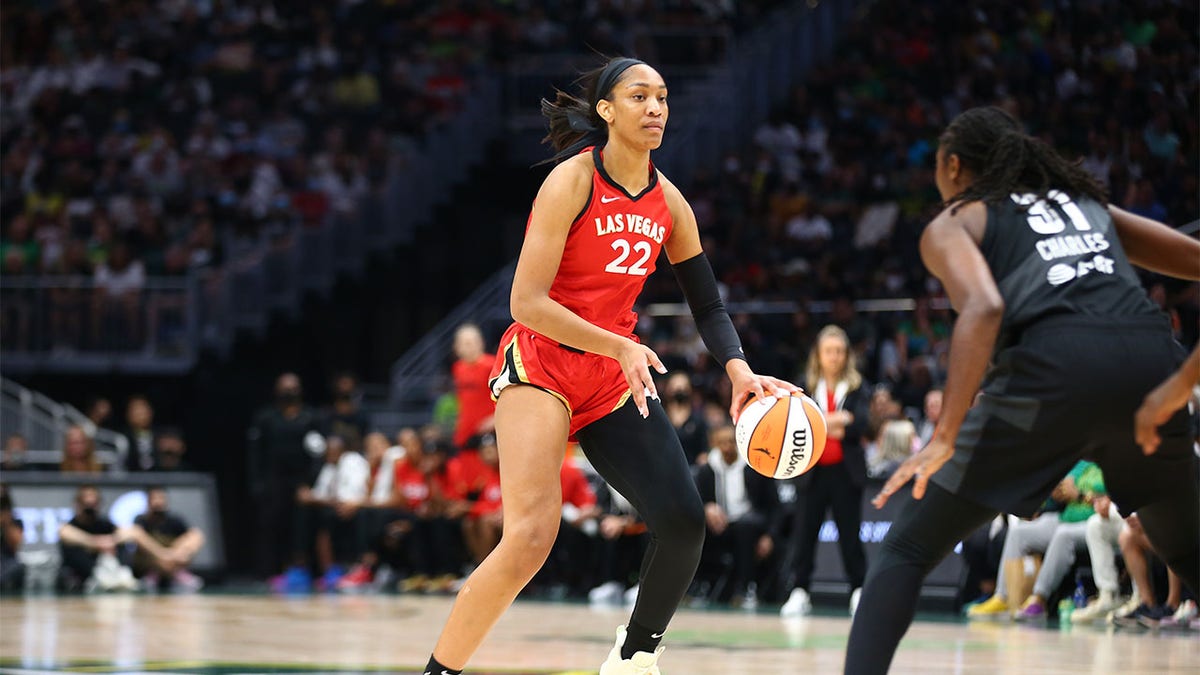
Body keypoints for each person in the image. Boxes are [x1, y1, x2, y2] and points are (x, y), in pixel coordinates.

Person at [421, 56, 795, 675]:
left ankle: (633, 656)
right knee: (530, 541)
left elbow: (707, 303)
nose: (656, 109)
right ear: (606, 110)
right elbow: (525, 302)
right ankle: (439, 672)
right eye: (640, 97)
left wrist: (737, 368)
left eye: (663, 97)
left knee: (682, 522)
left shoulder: (669, 201)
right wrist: (617, 343)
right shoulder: (571, 182)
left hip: (609, 379)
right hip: (541, 364)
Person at [844, 106, 1200, 675]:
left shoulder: (955, 220)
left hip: (1054, 371)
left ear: (954, 167)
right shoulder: (1085, 205)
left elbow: (984, 307)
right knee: (1186, 550)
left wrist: (945, 437)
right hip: (1153, 366)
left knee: (907, 550)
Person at [781, 325, 869, 618]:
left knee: (850, 535)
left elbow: (860, 425)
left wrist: (820, 421)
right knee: (804, 535)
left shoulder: (858, 387)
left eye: (839, 351)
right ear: (818, 355)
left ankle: (859, 589)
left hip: (846, 473)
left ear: (847, 356)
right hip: (812, 472)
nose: (834, 357)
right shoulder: (803, 385)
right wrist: (838, 420)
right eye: (829, 351)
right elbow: (799, 423)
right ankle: (800, 591)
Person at [127, 486, 206, 592]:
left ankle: (172, 572)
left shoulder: (175, 520)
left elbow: (193, 537)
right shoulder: (141, 520)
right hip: (150, 563)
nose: (159, 502)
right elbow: (135, 537)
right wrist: (162, 555)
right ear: (148, 501)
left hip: (174, 559)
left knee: (196, 534)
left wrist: (173, 555)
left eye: (161, 498)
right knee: (136, 533)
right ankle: (164, 572)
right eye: (155, 498)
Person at [450, 324, 496, 451]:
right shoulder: (457, 368)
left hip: (487, 434)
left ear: (481, 343)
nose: (467, 348)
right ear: (456, 347)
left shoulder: (492, 365)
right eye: (463, 343)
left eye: (470, 343)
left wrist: (494, 419)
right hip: (465, 433)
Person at [0, 486, 25, 592]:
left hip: (6, 560)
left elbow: (16, 545)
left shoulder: (15, 521)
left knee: (18, 567)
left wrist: (6, 523)